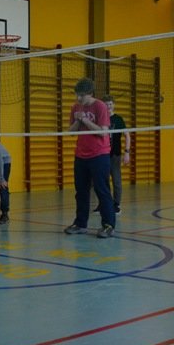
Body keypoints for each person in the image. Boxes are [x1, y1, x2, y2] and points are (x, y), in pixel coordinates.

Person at [63, 78, 116, 239]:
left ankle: (108, 225)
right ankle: (80, 224)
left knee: (102, 190)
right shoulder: (75, 107)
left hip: (99, 154)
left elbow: (103, 132)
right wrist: (78, 120)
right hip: (81, 154)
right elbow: (71, 132)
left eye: (82, 95)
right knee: (81, 191)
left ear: (90, 94)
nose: (78, 98)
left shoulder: (100, 106)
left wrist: (85, 119)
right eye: (77, 95)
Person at [102, 95, 130, 215]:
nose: (108, 106)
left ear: (114, 105)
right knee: (102, 181)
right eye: (106, 104)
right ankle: (103, 203)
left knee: (116, 181)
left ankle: (116, 204)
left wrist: (127, 152)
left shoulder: (118, 119)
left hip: (115, 154)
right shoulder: (101, 118)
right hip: (102, 154)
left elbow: (127, 136)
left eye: (110, 104)